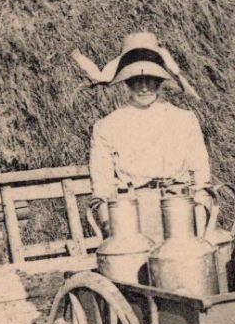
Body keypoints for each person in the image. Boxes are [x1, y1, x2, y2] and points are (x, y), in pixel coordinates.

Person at [78, 32, 212, 200]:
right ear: (126, 81)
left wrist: (201, 213)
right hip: (131, 211)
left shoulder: (184, 120)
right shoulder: (107, 126)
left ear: (160, 80)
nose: (143, 87)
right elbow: (102, 186)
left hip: (180, 208)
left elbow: (201, 175)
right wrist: (108, 220)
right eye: (136, 79)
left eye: (150, 79)